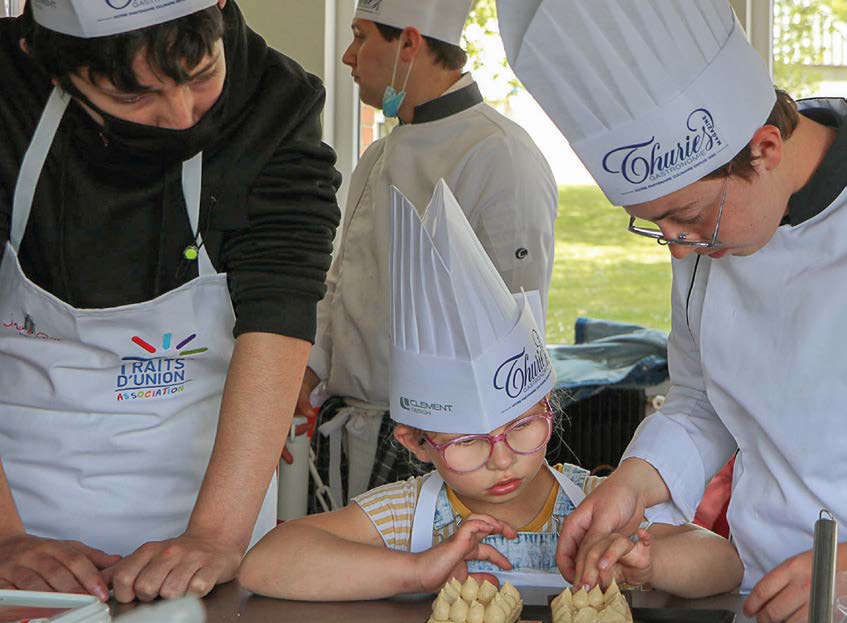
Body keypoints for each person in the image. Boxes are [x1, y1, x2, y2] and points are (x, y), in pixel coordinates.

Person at [498, 0, 847, 620]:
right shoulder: (707, 235)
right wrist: (631, 484)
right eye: (654, 225)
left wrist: (842, 571)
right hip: (756, 594)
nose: (680, 246)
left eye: (685, 218)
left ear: (765, 148)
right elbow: (701, 399)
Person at [238, 181, 741, 601]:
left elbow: (723, 565)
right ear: (415, 441)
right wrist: (416, 570)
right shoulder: (404, 515)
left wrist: (648, 561)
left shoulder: (594, 503)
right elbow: (264, 565)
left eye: (522, 428)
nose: (501, 460)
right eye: (468, 443)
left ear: (550, 410)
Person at [0, 0, 340, 603]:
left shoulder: (274, 101)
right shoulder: (7, 94)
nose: (182, 117)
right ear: (53, 69)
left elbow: (279, 310)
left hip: (209, 504)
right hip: (19, 499)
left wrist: (216, 534)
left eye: (201, 73)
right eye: (134, 97)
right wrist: (4, 539)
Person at [297, 0, 559, 509]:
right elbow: (342, 283)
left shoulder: (500, 154)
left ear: (410, 43)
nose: (349, 56)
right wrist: (304, 373)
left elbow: (515, 329)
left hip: (440, 449)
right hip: (350, 432)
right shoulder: (378, 153)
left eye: (361, 36)